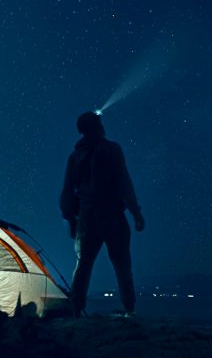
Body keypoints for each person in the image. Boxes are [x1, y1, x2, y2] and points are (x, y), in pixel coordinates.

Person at [60, 111, 145, 317]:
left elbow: (67, 190)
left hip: (86, 218)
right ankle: (129, 309)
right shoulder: (112, 149)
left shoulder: (75, 156)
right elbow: (124, 182)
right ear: (96, 127)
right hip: (112, 215)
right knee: (122, 263)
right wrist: (136, 213)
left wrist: (71, 218)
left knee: (83, 265)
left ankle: (76, 308)